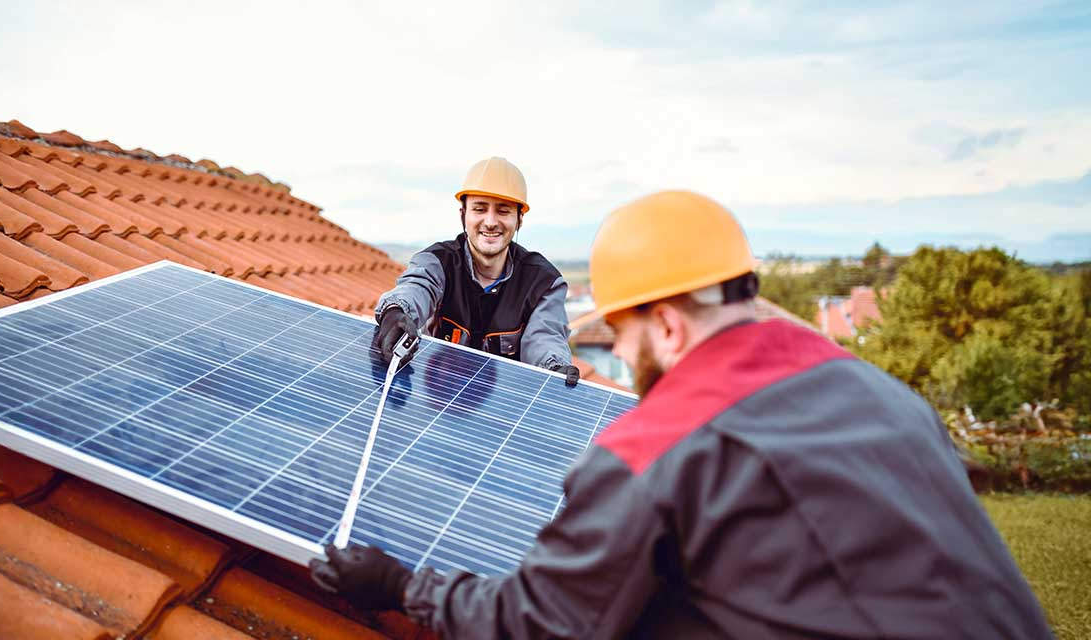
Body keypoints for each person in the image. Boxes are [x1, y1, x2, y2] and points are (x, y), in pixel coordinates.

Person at [313, 191, 1052, 638]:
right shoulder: (878, 391)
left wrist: (402, 587)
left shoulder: (652, 453)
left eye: (624, 335)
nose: (622, 354)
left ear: (667, 327)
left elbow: (546, 621)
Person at [372, 156, 579, 385]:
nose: (490, 222)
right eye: (479, 209)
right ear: (463, 214)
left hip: (507, 401)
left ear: (519, 219)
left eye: (503, 211)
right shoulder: (437, 262)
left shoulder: (543, 282)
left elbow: (546, 335)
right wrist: (396, 310)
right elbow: (417, 287)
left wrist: (554, 367)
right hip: (439, 393)